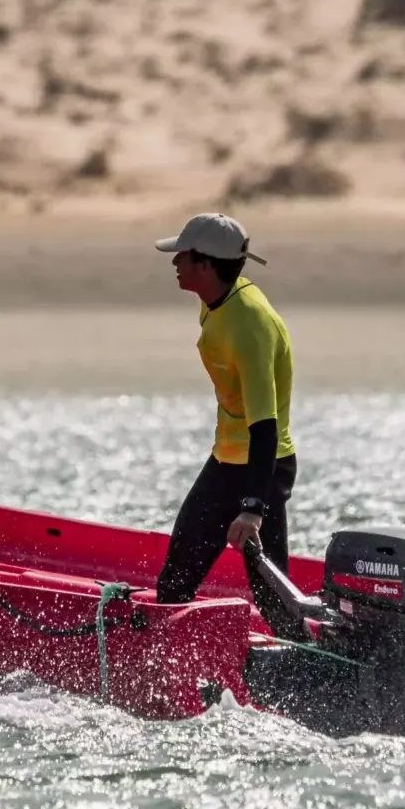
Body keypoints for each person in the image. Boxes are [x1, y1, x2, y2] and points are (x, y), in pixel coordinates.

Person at [152, 212, 296, 604]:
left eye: (182, 256)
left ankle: (309, 661)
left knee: (272, 594)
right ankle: (161, 660)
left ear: (206, 264)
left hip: (262, 467)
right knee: (177, 577)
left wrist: (252, 508)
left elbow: (264, 425)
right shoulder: (216, 299)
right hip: (227, 461)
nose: (174, 263)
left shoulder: (249, 325)